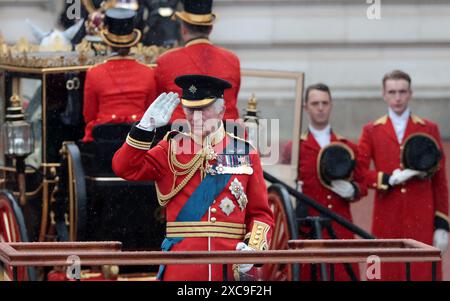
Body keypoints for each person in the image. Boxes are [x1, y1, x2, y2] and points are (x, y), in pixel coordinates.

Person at [112, 74, 274, 281]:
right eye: (190, 110)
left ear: (221, 111)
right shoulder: (170, 148)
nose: (196, 117)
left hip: (228, 268)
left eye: (203, 109)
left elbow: (261, 213)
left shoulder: (244, 152)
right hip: (182, 268)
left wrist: (253, 250)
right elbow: (123, 168)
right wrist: (145, 128)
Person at [358, 70, 449, 281]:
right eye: (392, 92)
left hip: (422, 216)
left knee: (422, 272)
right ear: (384, 94)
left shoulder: (428, 128)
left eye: (402, 92)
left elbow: (440, 181)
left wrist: (442, 225)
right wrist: (387, 179)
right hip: (387, 215)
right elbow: (361, 172)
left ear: (410, 94)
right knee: (386, 271)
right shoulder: (372, 130)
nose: (397, 98)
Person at [284, 83, 367, 280]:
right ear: (306, 107)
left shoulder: (348, 147)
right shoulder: (294, 147)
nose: (320, 108)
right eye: (315, 103)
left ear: (331, 105)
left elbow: (363, 184)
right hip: (307, 230)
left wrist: (352, 190)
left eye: (324, 103)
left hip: (340, 228)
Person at [154, 0, 241, 126]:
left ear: (183, 29)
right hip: (226, 132)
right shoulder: (232, 59)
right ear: (210, 28)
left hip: (181, 132)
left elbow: (160, 102)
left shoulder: (166, 60)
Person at [82, 8, 157, 142]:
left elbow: (89, 116)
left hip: (105, 141)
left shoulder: (94, 73)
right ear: (132, 43)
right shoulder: (148, 72)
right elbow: (150, 112)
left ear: (108, 43)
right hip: (138, 140)